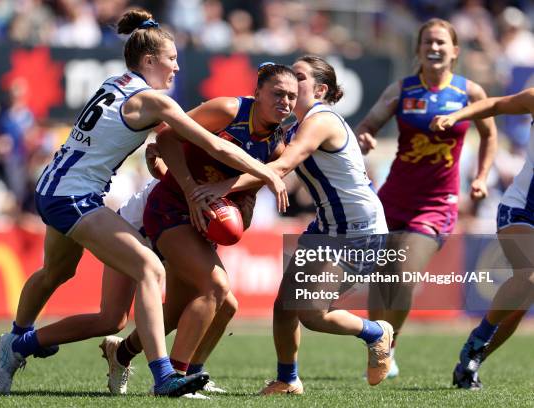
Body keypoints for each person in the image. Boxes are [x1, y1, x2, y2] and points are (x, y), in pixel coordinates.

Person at [0, 8, 287, 397]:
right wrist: (266, 172)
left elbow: (155, 140)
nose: (177, 68)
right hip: (74, 196)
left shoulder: (115, 82)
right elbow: (212, 143)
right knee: (150, 268)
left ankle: (17, 341)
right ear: (149, 61)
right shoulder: (155, 101)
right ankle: (165, 377)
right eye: (172, 59)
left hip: (54, 186)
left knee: (62, 279)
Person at [191, 55, 393, 394]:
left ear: (320, 89)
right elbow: (262, 156)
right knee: (285, 306)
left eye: (298, 77)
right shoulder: (294, 125)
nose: (289, 83)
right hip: (327, 226)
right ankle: (288, 379)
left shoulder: (321, 120)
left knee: (312, 313)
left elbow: (282, 165)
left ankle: (377, 332)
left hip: (359, 229)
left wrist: (222, 187)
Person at [102, 63, 299, 397]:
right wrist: (192, 190)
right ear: (258, 93)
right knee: (214, 287)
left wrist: (236, 213)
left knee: (209, 307)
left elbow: (245, 203)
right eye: (278, 93)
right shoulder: (228, 110)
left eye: (292, 96)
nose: (286, 102)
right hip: (170, 208)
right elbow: (165, 136)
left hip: (200, 224)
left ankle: (130, 355)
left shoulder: (275, 144)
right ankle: (175, 377)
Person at [355, 18, 497, 378]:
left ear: (455, 51)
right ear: (418, 49)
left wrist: (480, 176)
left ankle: (390, 344)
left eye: (440, 42)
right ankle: (378, 344)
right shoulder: (402, 90)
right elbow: (368, 125)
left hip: (438, 203)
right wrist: (366, 137)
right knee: (382, 276)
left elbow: (490, 134)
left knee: (403, 275)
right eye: (427, 42)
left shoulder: (470, 92)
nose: (434, 48)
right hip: (393, 198)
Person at [431, 87, 533, 390]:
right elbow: (497, 104)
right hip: (520, 211)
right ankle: (476, 340)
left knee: (518, 308)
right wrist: (455, 116)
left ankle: (469, 365)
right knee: (529, 275)